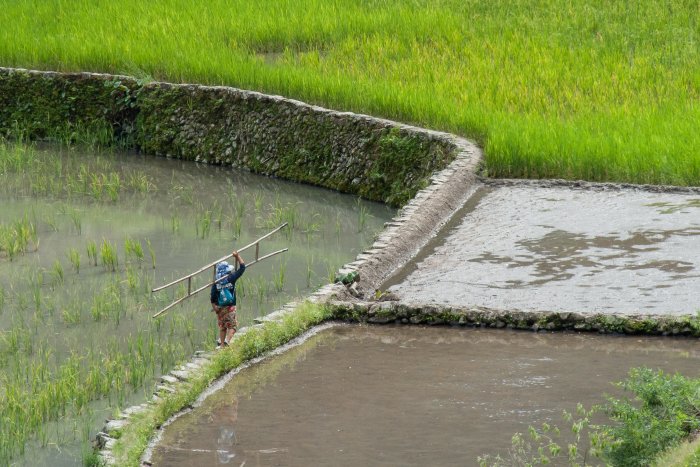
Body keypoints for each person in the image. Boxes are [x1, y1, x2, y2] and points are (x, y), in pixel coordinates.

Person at [211, 250, 245, 349]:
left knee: (222, 327)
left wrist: (215, 307)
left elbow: (212, 297)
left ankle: (222, 345)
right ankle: (227, 341)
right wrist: (237, 256)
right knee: (233, 327)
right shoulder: (231, 278)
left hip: (220, 308)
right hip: (230, 307)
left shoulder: (216, 283)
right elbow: (242, 268)